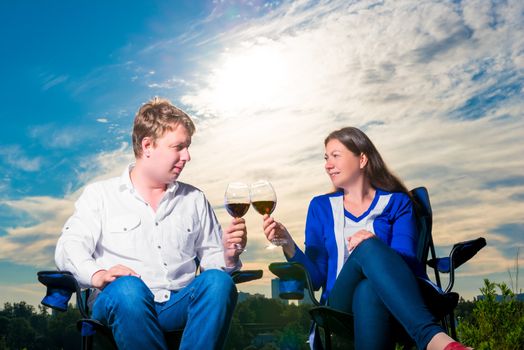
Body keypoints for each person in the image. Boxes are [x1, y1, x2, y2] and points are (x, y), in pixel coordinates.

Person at [55, 97, 247, 349]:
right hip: (119, 302)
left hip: (177, 303)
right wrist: (98, 274)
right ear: (147, 145)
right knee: (128, 289)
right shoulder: (100, 195)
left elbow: (213, 264)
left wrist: (229, 258)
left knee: (219, 282)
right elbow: (68, 248)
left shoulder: (195, 199)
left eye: (187, 147)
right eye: (178, 147)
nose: (187, 156)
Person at [262, 127, 470, 350]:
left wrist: (373, 245)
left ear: (362, 159)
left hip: (396, 300)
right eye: (326, 158)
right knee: (367, 249)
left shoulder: (397, 203)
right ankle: (433, 339)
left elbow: (409, 262)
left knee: (368, 289)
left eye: (335, 156)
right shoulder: (320, 207)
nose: (327, 165)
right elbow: (316, 277)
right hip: (339, 304)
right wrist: (289, 245)